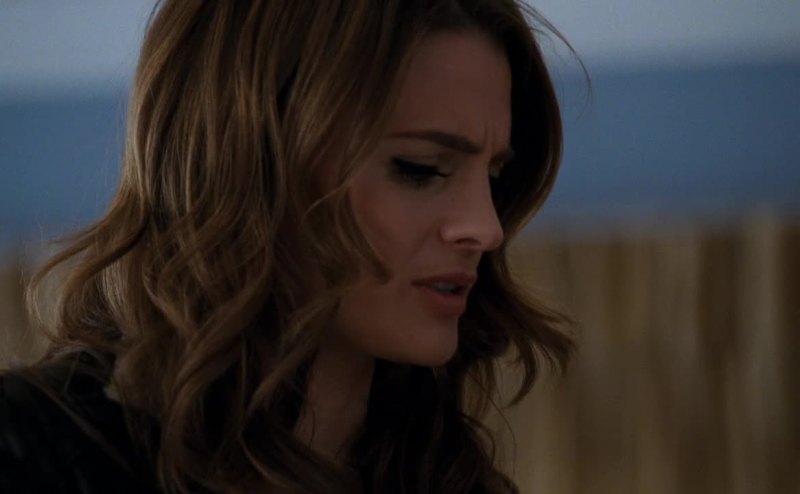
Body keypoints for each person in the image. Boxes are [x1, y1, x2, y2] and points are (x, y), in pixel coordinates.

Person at [0, 0, 575, 492]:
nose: (486, 228)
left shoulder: (448, 474)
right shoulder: (34, 455)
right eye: (420, 168)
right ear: (250, 161)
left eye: (494, 177)